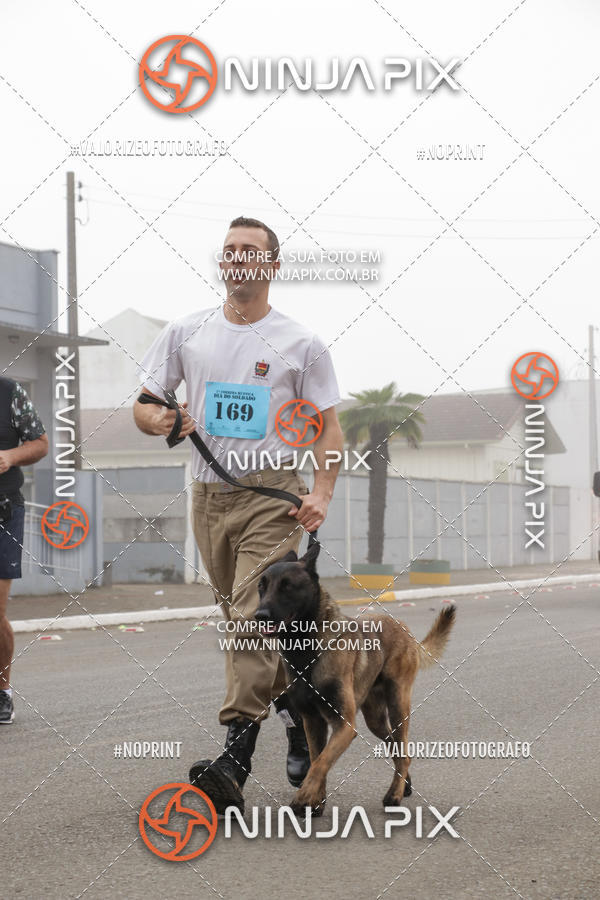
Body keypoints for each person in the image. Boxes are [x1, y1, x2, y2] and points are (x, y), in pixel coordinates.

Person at [134, 216, 343, 812]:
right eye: (229, 250)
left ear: (272, 266)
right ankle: (295, 712)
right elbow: (145, 408)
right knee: (245, 620)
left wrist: (321, 491)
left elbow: (329, 428)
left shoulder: (301, 343)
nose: (238, 259)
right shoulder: (185, 332)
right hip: (207, 495)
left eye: (250, 250)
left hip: (271, 494)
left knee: (251, 620)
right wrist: (165, 420)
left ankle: (234, 757)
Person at [0, 377, 49, 724]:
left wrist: (9, 456)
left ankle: (3, 691)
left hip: (4, 509)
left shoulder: (10, 392)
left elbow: (41, 444)